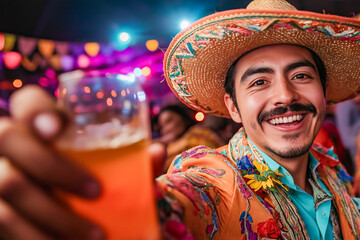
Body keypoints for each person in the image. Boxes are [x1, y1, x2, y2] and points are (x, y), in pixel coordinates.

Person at [1, 0, 360, 239]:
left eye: (301, 76)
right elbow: (179, 201)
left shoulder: (331, 171)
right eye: (260, 82)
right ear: (233, 108)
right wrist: (87, 205)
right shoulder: (213, 179)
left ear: (322, 95)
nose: (284, 95)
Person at [154, 104, 224, 172]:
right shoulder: (169, 147)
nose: (165, 129)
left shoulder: (200, 133)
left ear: (182, 117)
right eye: (162, 126)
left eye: (169, 121)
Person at [335, 94, 360, 164]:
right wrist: (356, 143)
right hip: (354, 145)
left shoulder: (354, 104)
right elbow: (345, 134)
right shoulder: (345, 105)